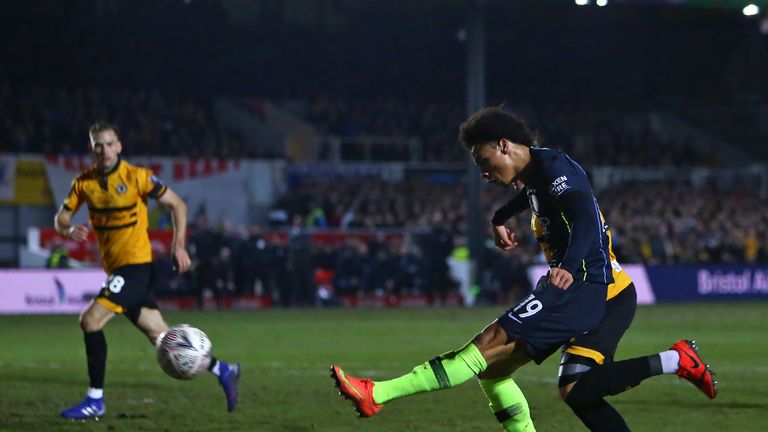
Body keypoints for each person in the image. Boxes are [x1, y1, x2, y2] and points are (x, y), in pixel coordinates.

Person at [330, 107, 717, 431]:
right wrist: (501, 215)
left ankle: (376, 393)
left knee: (485, 349)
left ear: (503, 145)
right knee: (560, 386)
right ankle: (676, 360)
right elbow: (535, 196)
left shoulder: (553, 171)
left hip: (584, 285)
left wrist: (567, 265)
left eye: (484, 161)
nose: (483, 171)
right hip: (597, 288)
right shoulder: (536, 175)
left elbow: (584, 217)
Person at [56, 122, 241, 420]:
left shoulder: (137, 177)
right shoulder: (83, 183)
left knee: (90, 321)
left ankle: (95, 400)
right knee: (162, 336)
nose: (103, 150)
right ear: (92, 149)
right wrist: (66, 230)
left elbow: (177, 205)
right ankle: (223, 369)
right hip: (118, 269)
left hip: (136, 266)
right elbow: (61, 218)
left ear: (119, 146)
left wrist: (178, 245)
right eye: (97, 145)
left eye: (108, 143)